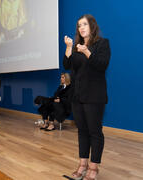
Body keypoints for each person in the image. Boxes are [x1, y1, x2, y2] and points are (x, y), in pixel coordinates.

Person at [63, 14, 111, 180]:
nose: (81, 28)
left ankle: (93, 167)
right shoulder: (77, 46)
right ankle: (82, 164)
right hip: (77, 96)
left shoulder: (102, 44)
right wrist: (69, 47)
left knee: (95, 131)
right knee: (82, 131)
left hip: (94, 95)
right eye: (79, 25)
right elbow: (67, 65)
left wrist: (87, 52)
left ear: (92, 25)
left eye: (84, 24)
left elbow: (101, 65)